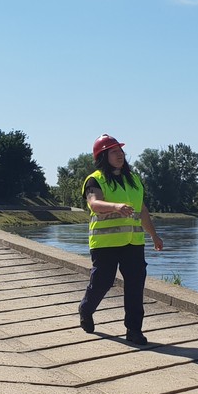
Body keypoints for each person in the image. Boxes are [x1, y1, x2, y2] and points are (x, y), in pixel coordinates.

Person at [77, 134, 163, 345]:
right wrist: (115, 207)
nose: (120, 155)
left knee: (135, 286)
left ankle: (134, 330)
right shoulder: (95, 179)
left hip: (133, 244)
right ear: (103, 156)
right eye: (114, 151)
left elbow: (142, 210)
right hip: (105, 244)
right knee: (102, 282)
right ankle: (86, 309)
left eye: (121, 151)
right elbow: (94, 203)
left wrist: (154, 235)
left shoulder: (133, 180)